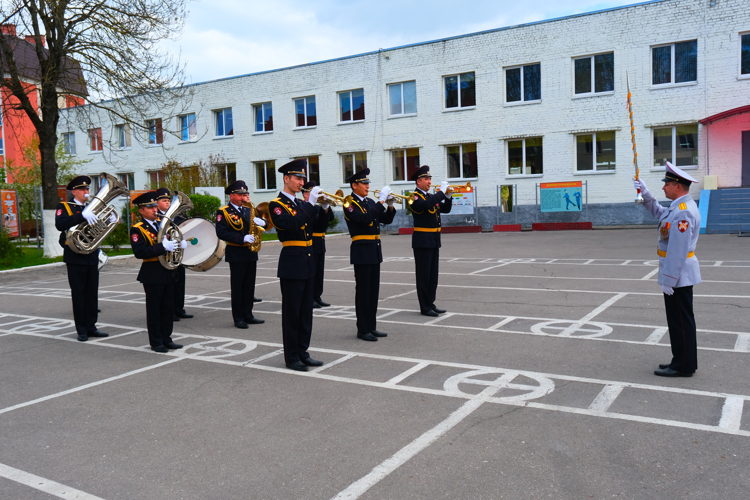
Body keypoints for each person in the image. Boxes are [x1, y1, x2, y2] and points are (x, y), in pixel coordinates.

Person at [634, 162, 701, 377]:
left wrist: (669, 279)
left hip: (679, 275)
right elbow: (659, 212)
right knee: (678, 320)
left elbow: (677, 251)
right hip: (677, 274)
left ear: (678, 186)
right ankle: (681, 361)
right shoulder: (677, 207)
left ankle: (683, 366)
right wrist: (644, 192)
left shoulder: (683, 212)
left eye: (667, 184)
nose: (664, 188)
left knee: (681, 321)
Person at [268, 159, 325, 371]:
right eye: (298, 178)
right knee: (292, 313)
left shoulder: (301, 204)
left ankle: (303, 352)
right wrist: (310, 205)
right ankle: (292, 357)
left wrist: (324, 208)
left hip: (308, 261)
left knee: (306, 313)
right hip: (292, 262)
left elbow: (318, 227)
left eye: (303, 178)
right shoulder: (277, 205)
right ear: (286, 179)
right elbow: (291, 225)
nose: (302, 182)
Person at [54, 176, 111, 342]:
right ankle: (81, 329)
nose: (87, 192)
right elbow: (60, 224)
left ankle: (92, 326)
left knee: (92, 294)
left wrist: (109, 221)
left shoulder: (91, 208)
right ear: (74, 192)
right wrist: (82, 216)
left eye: (87, 189)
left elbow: (98, 229)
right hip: (75, 257)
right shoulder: (64, 206)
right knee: (79, 294)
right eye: (83, 190)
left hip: (91, 255)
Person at [343, 168, 397, 341]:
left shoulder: (368, 202)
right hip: (362, 250)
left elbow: (386, 220)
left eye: (368, 183)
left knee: (373, 291)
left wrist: (389, 205)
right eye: (364, 183)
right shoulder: (350, 204)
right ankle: (363, 329)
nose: (367, 186)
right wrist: (380, 201)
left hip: (374, 249)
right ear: (354, 185)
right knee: (364, 291)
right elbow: (365, 219)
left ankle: (371, 326)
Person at [129, 191, 185, 353]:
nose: (155, 210)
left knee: (168, 308)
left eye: (155, 206)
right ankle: (156, 341)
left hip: (168, 270)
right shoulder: (137, 229)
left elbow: (174, 238)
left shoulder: (163, 224)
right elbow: (140, 252)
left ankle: (167, 338)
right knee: (155, 309)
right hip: (152, 273)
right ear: (141, 210)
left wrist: (179, 244)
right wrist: (162, 247)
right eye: (150, 207)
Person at [215, 180, 267, 329]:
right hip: (237, 252)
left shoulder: (249, 209)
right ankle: (238, 318)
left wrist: (262, 222)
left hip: (251, 252)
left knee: (249, 286)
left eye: (245, 194)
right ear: (232, 196)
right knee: (238, 287)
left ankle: (248, 315)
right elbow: (221, 232)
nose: (244, 197)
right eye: (240, 194)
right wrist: (240, 238)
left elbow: (259, 224)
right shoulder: (223, 212)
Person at [409, 165, 453, 317]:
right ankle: (424, 306)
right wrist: (441, 192)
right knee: (423, 275)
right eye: (426, 179)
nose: (429, 182)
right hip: (422, 240)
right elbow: (426, 206)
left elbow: (445, 209)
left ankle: (431, 303)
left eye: (430, 179)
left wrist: (447, 197)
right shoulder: (415, 197)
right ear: (418, 182)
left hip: (434, 240)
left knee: (433, 275)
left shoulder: (429, 197)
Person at [155, 187, 193, 321]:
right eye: (164, 200)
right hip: (164, 256)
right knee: (169, 284)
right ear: (157, 203)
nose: (167, 203)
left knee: (180, 282)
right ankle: (169, 311)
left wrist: (183, 242)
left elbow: (183, 231)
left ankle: (179, 309)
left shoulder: (176, 217)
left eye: (168, 200)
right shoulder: (156, 217)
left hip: (177, 255)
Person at [302, 180, 335, 308]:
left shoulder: (317, 207)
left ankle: (317, 296)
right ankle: (310, 298)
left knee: (319, 272)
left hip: (320, 242)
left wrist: (325, 205)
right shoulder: (305, 207)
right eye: (311, 192)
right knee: (312, 273)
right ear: (305, 194)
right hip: (311, 242)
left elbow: (330, 218)